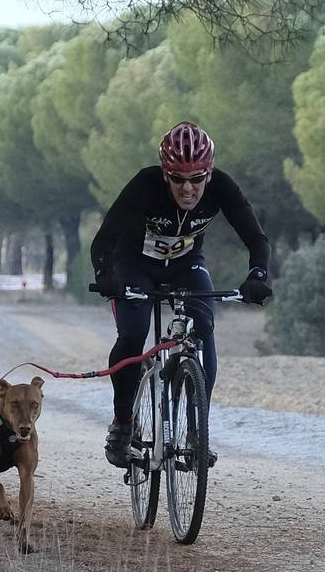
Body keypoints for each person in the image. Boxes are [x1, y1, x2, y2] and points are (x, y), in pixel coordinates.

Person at [89, 121, 272, 469]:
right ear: (164, 173)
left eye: (197, 178)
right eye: (177, 179)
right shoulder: (144, 184)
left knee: (204, 328)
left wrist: (258, 274)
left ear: (210, 172)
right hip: (134, 265)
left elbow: (256, 237)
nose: (188, 189)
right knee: (132, 334)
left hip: (186, 265)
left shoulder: (222, 187)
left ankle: (196, 429)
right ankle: (123, 423)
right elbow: (104, 239)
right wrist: (105, 274)